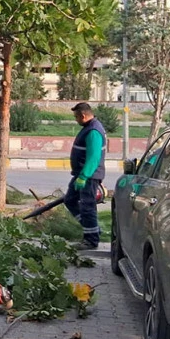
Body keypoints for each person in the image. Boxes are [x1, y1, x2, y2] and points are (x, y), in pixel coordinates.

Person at [64, 103, 107, 250]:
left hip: (88, 176)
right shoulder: (89, 128)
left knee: (87, 206)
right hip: (81, 174)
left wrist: (84, 176)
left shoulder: (93, 131)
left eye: (76, 117)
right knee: (70, 200)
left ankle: (91, 240)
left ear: (83, 115)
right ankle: (92, 228)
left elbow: (94, 157)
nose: (76, 120)